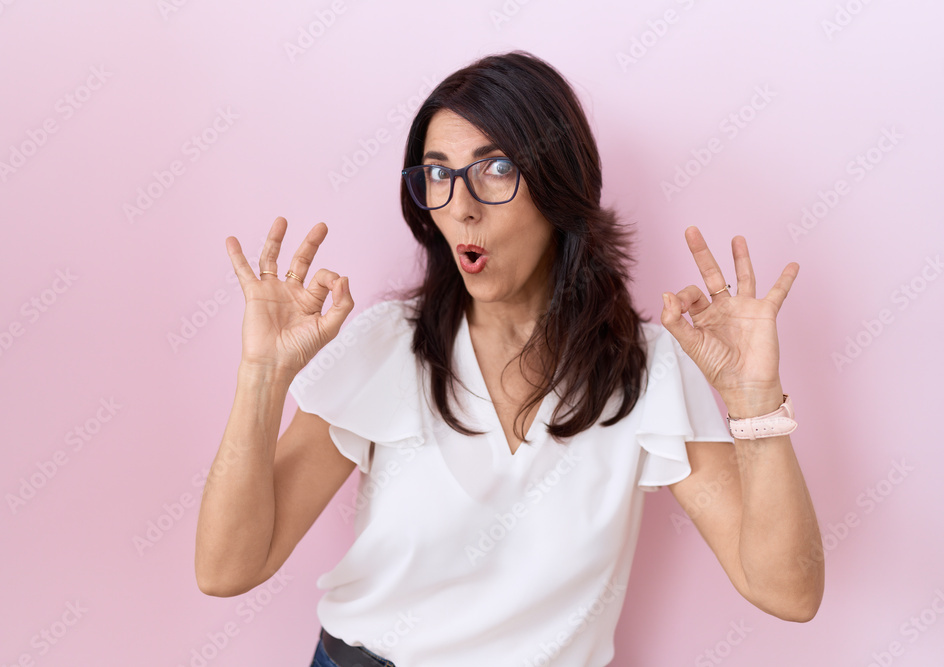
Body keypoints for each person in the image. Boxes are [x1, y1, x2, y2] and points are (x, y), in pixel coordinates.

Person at [194, 51, 824, 667]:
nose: (461, 206)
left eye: (494, 168)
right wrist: (262, 377)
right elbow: (228, 570)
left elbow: (787, 593)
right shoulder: (390, 345)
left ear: (559, 184)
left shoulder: (646, 367)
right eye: (437, 173)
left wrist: (753, 399)